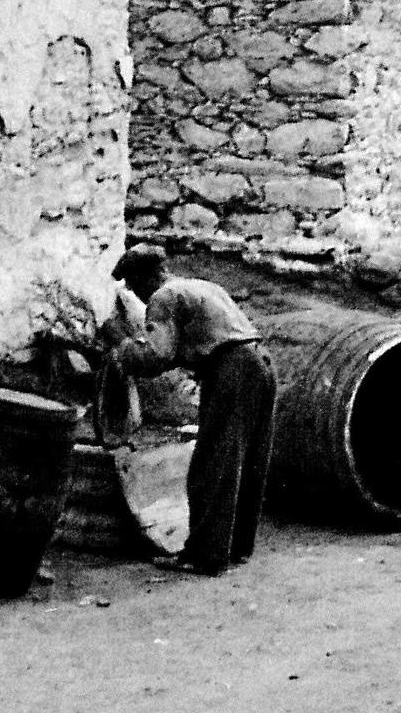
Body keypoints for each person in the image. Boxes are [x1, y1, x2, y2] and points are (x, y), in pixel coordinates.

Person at [106, 245, 278, 574]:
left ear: (144, 279)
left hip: (231, 368)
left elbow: (159, 356)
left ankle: (206, 556)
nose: (135, 295)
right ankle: (237, 548)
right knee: (249, 460)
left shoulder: (163, 298)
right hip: (260, 362)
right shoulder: (200, 286)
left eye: (132, 286)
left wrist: (121, 345)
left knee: (212, 464)